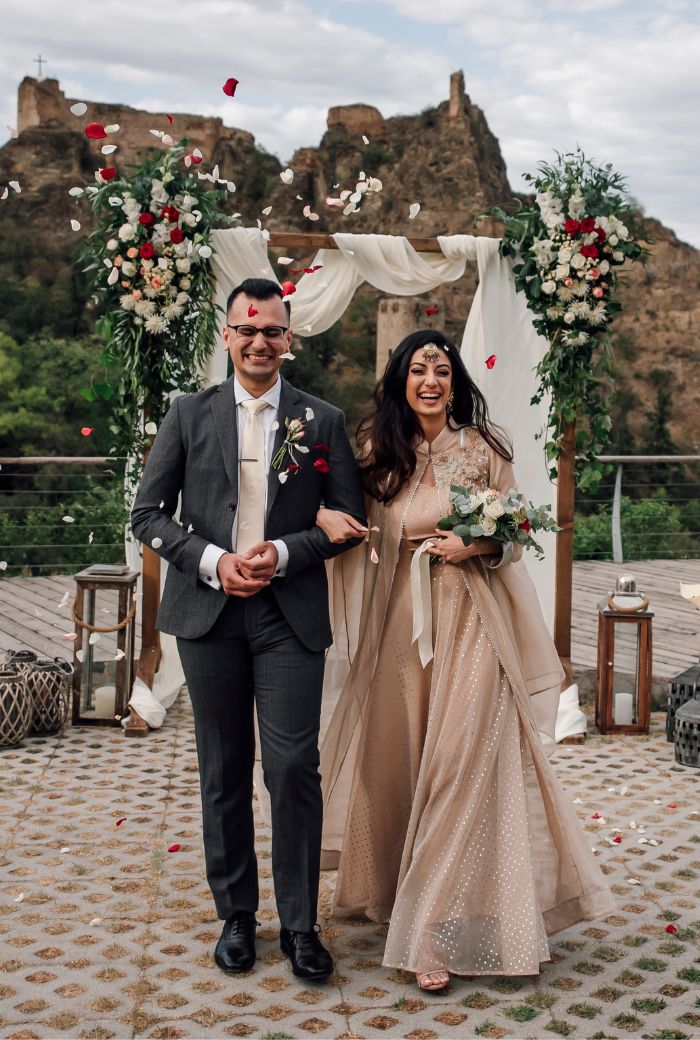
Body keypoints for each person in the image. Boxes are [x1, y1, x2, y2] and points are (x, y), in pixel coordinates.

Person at [316, 330, 614, 991]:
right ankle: (398, 890)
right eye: (418, 369)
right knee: (402, 762)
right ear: (400, 380)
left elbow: (513, 538)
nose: (430, 379)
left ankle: (431, 930)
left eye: (442, 370)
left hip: (473, 625)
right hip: (399, 629)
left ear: (455, 383)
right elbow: (345, 521)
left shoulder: (484, 448)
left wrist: (474, 547)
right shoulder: (379, 451)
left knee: (460, 767)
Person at [131, 278, 366, 982]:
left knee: (293, 766)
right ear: (228, 337)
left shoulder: (321, 420)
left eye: (272, 331)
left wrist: (287, 552)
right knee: (223, 767)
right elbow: (147, 516)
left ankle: (300, 926)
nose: (259, 342)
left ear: (288, 339)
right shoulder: (187, 415)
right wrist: (212, 561)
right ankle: (236, 916)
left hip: (288, 614)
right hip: (208, 614)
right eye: (247, 330)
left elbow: (345, 522)